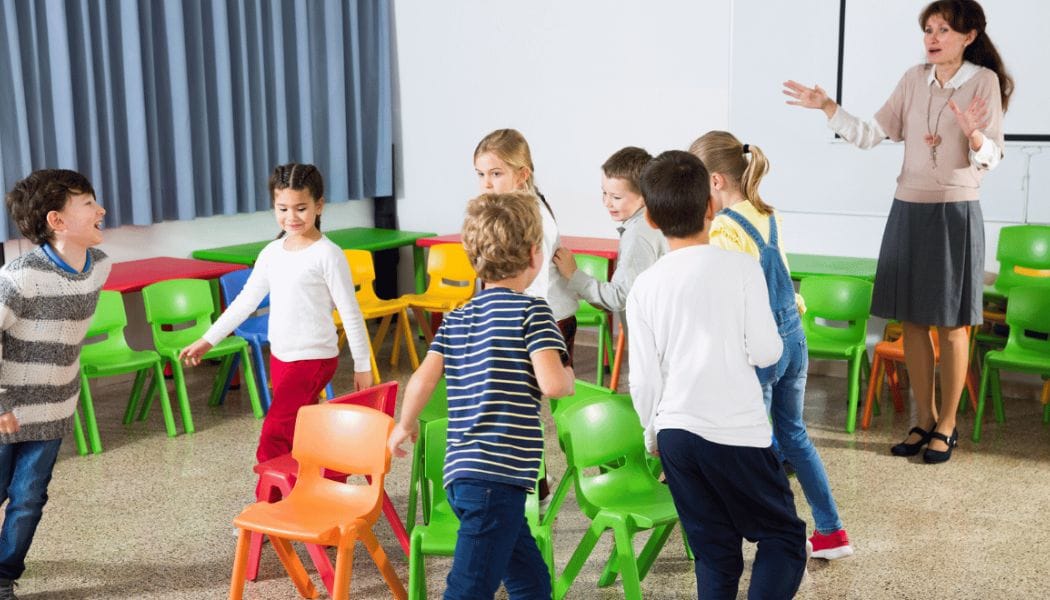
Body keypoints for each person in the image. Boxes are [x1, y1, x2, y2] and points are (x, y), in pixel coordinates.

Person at [783, 0, 1010, 463]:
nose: (932, 37)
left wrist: (975, 138)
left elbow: (993, 157)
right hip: (907, 208)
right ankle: (923, 419)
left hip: (955, 211)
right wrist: (829, 107)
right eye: (928, 29)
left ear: (968, 36)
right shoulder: (913, 79)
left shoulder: (983, 81)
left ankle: (947, 424)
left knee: (951, 326)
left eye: (943, 29)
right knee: (911, 321)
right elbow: (871, 134)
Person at [627, 150, 807, 598]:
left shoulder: (644, 286)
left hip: (676, 435)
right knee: (783, 538)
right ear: (712, 206)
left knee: (714, 551)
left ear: (649, 217)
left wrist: (653, 435)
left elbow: (644, 381)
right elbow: (767, 352)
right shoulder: (740, 268)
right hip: (737, 432)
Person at [388, 192, 574, 600]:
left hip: (461, 476)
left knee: (530, 579)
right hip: (498, 479)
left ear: (475, 261)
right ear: (534, 254)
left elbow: (421, 379)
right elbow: (553, 385)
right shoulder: (533, 312)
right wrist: (569, 374)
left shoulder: (457, 317)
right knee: (470, 589)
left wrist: (404, 425)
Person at [691, 131, 854, 560]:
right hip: (794, 336)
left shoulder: (725, 226)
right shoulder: (767, 212)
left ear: (715, 181)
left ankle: (778, 531)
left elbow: (736, 291)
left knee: (755, 441)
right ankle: (832, 532)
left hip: (762, 344)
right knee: (794, 436)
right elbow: (781, 272)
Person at [179, 163, 372, 471]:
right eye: (282, 208)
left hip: (313, 358)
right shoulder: (272, 252)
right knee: (299, 430)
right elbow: (245, 303)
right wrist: (208, 340)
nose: (291, 217)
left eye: (301, 208)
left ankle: (270, 502)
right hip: (281, 355)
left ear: (319, 205)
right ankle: (310, 489)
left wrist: (363, 366)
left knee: (273, 434)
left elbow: (350, 312)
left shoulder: (328, 254)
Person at [0, 170, 111, 600]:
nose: (100, 210)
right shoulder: (19, 276)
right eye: (87, 204)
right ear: (57, 220)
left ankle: (4, 574)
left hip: (56, 408)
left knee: (28, 497)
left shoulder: (99, 267)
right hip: (7, 410)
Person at [473, 129, 578, 363]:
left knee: (550, 388)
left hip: (548, 319)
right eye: (480, 174)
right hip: (519, 315)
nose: (486, 184)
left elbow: (536, 288)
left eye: (496, 174)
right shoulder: (504, 211)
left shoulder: (536, 219)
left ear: (522, 175)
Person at [552, 146, 668, 329]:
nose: (607, 203)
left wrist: (573, 274)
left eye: (615, 197)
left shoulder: (638, 235)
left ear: (644, 195)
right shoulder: (653, 221)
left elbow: (618, 298)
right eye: (604, 193)